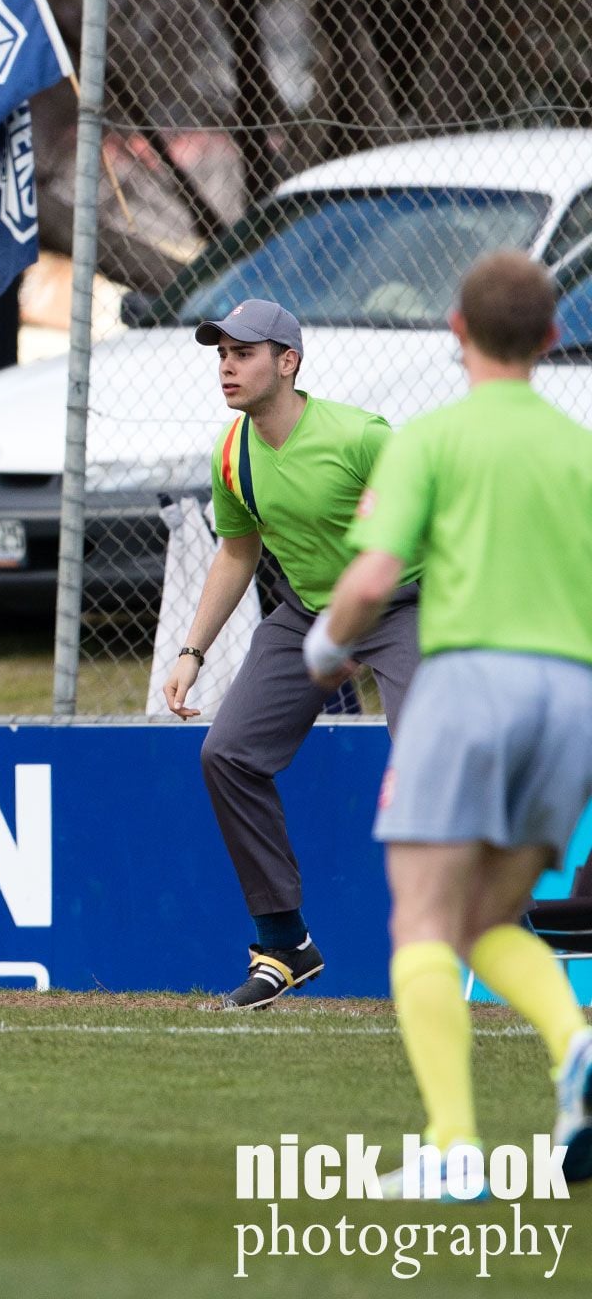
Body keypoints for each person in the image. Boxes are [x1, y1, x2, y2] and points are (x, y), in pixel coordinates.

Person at [306, 251, 592, 1195]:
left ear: (455, 332)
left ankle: (454, 1148)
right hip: (572, 701)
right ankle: (578, 1045)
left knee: (425, 917)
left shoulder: (428, 439)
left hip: (470, 685)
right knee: (486, 919)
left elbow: (373, 582)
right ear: (553, 338)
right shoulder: (581, 449)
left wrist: (324, 648)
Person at [159, 298, 423, 1010]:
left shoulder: (362, 437)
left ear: (288, 362)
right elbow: (237, 554)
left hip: (408, 604)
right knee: (228, 755)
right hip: (308, 615)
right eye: (220, 354)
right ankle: (284, 945)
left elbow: (439, 520)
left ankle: (511, 920)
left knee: (429, 755)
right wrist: (192, 651)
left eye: (243, 353)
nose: (227, 367)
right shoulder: (230, 452)